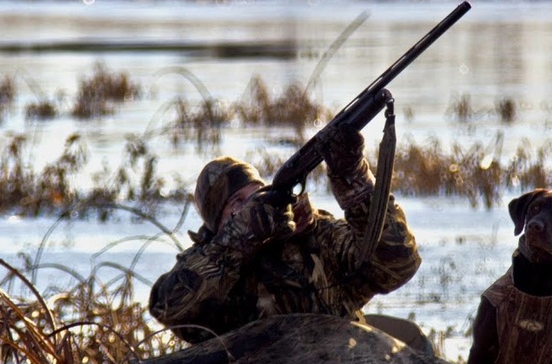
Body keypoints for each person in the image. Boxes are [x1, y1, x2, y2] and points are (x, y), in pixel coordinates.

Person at [148, 127, 421, 344]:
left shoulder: (315, 237)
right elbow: (169, 308)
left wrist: (355, 183)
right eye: (237, 203)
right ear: (217, 224)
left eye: (257, 193)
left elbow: (398, 265)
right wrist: (239, 240)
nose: (253, 204)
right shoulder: (211, 266)